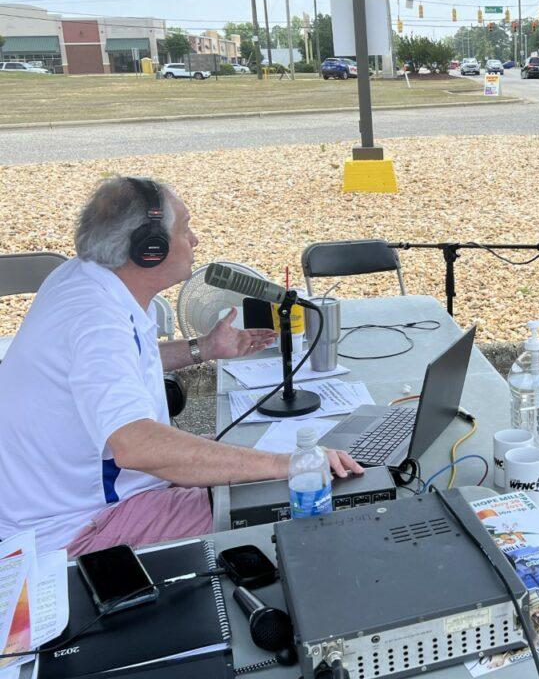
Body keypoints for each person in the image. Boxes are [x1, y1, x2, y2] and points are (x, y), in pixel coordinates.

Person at [0, 177, 363, 555]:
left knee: (250, 464)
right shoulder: (97, 319)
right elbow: (137, 447)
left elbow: (119, 364)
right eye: (184, 228)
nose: (194, 240)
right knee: (297, 498)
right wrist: (285, 465)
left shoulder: (81, 279)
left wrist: (204, 348)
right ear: (149, 250)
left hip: (68, 503)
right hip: (76, 528)